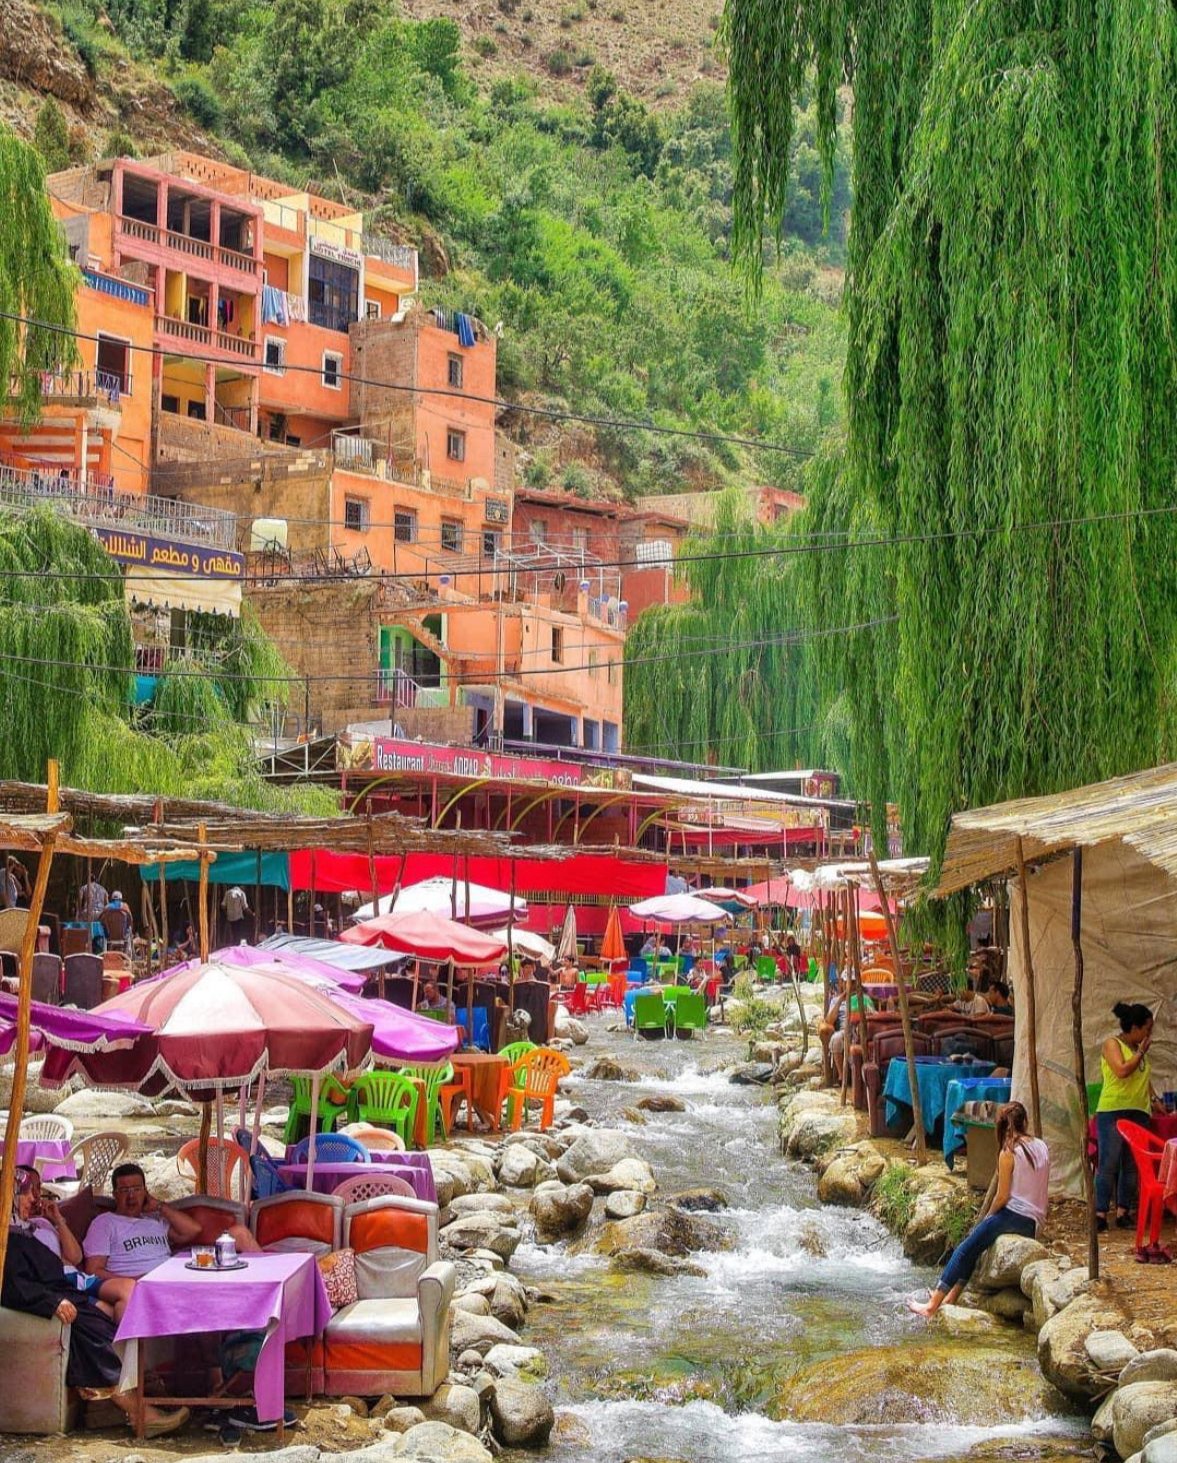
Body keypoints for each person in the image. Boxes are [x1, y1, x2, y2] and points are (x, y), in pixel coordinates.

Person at [4, 1175, 189, 1437]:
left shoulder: (24, 1228)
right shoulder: (4, 1238)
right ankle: (139, 1413)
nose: (34, 1199)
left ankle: (111, 1408)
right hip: (48, 1298)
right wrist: (52, 1302)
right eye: (26, 1194)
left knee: (102, 1321)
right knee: (92, 1332)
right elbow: (11, 1285)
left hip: (59, 1290)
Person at [911, 1101, 1049, 1317]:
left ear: (1002, 1127)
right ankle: (951, 1297)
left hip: (1016, 1215)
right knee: (977, 1246)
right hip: (1035, 1221)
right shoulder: (1041, 1145)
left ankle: (931, 1306)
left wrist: (988, 1216)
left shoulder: (1008, 1152)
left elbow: (1002, 1196)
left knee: (965, 1248)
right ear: (1026, 1122)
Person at [83, 1163, 257, 1321]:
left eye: (136, 1189)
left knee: (239, 1235)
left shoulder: (154, 1220)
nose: (131, 1196)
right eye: (124, 1190)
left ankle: (261, 1307)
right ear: (114, 1194)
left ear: (145, 1192)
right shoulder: (105, 1223)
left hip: (173, 1278)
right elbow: (93, 1270)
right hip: (140, 1285)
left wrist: (159, 1206)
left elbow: (193, 1230)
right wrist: (129, 1282)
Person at [1095, 1002, 1160, 1233]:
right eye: (1146, 1029)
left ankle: (1124, 1212)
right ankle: (1100, 1213)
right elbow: (1122, 1071)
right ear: (1134, 1027)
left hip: (1139, 1110)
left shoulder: (1137, 1050)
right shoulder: (1113, 1044)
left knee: (1132, 1164)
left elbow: (1143, 1078)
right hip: (1113, 1110)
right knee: (1109, 1162)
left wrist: (1155, 1100)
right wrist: (1141, 1052)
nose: (1148, 1034)